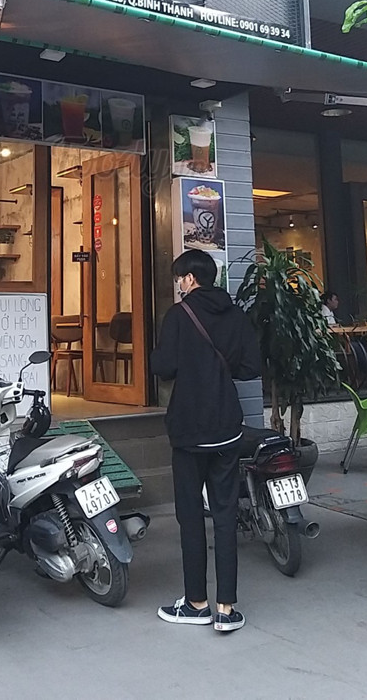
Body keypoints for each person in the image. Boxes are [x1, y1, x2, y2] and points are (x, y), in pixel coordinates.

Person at [151, 250, 261, 633]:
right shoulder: (235, 315)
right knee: (226, 515)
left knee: (191, 517)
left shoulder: (178, 315)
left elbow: (163, 368)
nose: (179, 284)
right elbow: (250, 367)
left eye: (180, 278)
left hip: (189, 430)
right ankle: (227, 608)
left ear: (190, 278)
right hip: (227, 427)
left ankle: (196, 603)